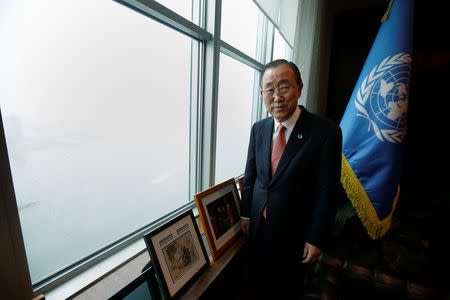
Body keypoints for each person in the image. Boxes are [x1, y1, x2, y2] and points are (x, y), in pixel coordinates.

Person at [240, 59, 342, 299]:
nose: (277, 97)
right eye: (270, 90)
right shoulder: (259, 128)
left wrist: (316, 238)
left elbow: (326, 191)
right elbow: (251, 174)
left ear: (299, 89)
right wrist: (246, 213)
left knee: (287, 289)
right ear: (262, 93)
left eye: (284, 87)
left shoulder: (325, 132)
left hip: (295, 233)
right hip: (258, 227)